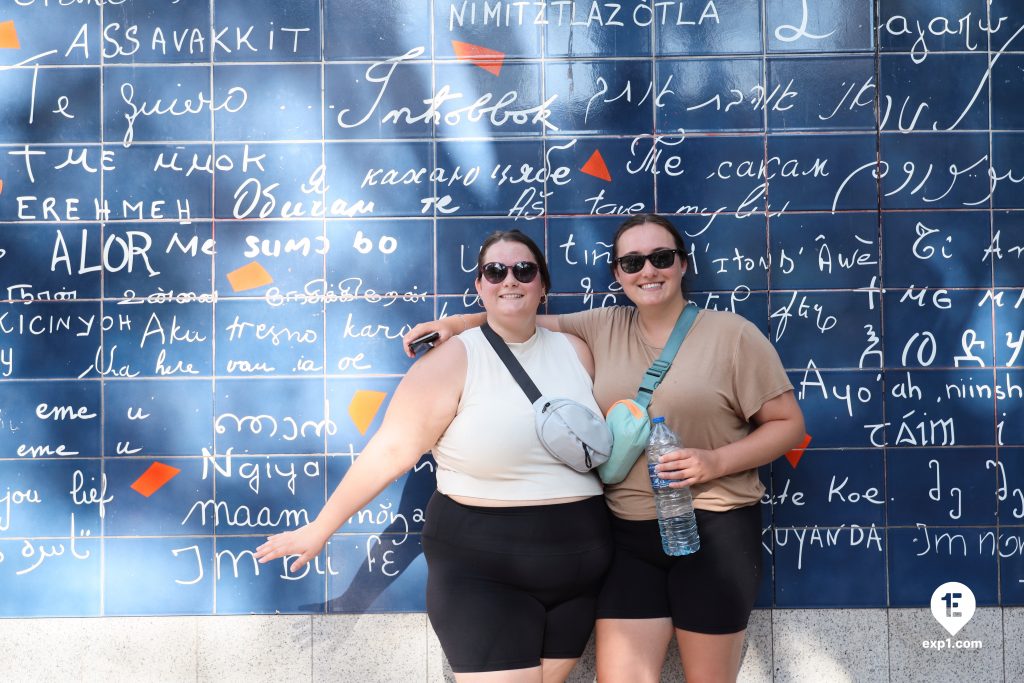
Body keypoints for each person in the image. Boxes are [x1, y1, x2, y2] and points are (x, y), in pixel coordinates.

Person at [403, 214, 805, 683]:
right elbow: (518, 312)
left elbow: (788, 425)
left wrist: (714, 461)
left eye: (661, 257)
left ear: (682, 265)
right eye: (632, 262)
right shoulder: (600, 326)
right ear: (617, 274)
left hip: (715, 530)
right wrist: (453, 324)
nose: (647, 271)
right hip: (628, 537)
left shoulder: (733, 335)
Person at [256, 229, 613, 683]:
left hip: (578, 573)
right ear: (480, 286)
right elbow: (392, 449)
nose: (510, 280)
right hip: (487, 572)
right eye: (495, 271)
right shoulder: (451, 360)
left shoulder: (578, 351)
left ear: (543, 285)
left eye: (524, 270)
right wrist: (321, 527)